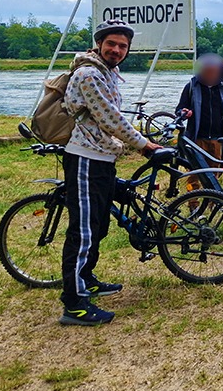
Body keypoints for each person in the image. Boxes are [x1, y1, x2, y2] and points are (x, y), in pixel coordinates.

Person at [60, 20, 162, 326]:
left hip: (103, 157)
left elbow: (112, 118)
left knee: (99, 225)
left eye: (123, 46)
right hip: (84, 158)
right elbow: (109, 117)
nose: (117, 50)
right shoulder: (89, 73)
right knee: (83, 231)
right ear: (99, 44)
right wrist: (144, 144)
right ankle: (74, 304)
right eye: (112, 44)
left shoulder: (108, 72)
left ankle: (87, 280)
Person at [176, 54, 223, 170]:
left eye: (214, 72)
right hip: (197, 137)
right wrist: (184, 112)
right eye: (208, 71)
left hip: (217, 138)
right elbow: (180, 109)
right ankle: (193, 188)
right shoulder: (191, 87)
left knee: (214, 169)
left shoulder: (222, 88)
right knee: (195, 170)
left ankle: (211, 189)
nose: (211, 74)